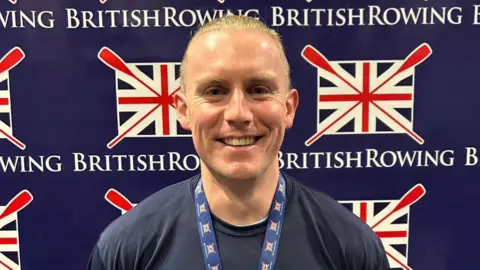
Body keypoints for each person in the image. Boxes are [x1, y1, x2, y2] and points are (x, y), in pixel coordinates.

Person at [87, 15, 390, 270]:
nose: (238, 113)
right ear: (183, 110)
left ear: (289, 108)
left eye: (258, 89)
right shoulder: (126, 248)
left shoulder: (351, 247)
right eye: (215, 91)